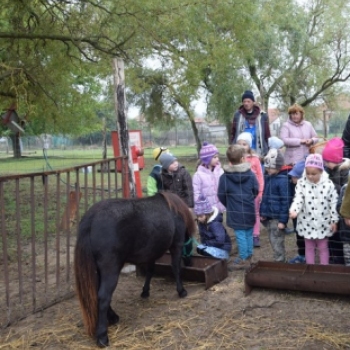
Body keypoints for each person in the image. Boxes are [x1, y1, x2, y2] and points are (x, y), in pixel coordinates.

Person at [289, 154, 339, 265]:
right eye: (308, 174)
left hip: (323, 221)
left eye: (314, 174)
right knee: (309, 246)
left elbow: (333, 202)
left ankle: (323, 268)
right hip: (307, 221)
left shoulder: (328, 185)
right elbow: (298, 198)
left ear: (321, 171)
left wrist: (334, 220)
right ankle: (310, 268)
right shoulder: (302, 184)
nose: (310, 176)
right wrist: (295, 210)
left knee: (323, 247)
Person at [217, 144, 259, 267]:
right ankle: (248, 255)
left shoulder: (224, 177)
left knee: (240, 235)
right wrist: (248, 199)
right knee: (248, 233)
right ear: (242, 158)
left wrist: (229, 204)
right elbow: (255, 190)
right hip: (249, 209)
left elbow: (221, 195)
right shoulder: (250, 174)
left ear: (230, 160)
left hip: (235, 211)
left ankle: (244, 257)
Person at [260, 149, 293, 262]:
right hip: (269, 215)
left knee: (277, 240)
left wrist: (283, 221)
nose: (267, 169)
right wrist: (263, 212)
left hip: (277, 217)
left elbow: (286, 201)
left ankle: (280, 262)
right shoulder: (269, 177)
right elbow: (265, 196)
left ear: (277, 166)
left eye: (269, 167)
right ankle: (279, 259)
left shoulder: (283, 180)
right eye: (266, 167)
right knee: (272, 239)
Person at [322, 137, 350, 264]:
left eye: (328, 161)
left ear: (336, 159)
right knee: (331, 235)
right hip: (330, 210)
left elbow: (345, 193)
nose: (326, 164)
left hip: (341, 211)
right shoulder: (328, 171)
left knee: (340, 237)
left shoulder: (345, 173)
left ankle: (341, 259)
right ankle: (334, 257)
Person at [236, 132, 264, 247]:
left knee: (255, 213)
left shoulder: (255, 159)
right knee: (243, 213)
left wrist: (260, 191)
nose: (242, 146)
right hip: (240, 192)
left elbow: (260, 176)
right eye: (239, 144)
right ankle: (245, 235)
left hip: (254, 192)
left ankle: (255, 235)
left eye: (245, 144)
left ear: (249, 145)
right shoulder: (235, 159)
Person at [230, 90, 271, 157]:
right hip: (241, 152)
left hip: (258, 151)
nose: (246, 103)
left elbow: (267, 134)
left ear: (253, 102)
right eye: (244, 101)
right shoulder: (238, 115)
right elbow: (233, 133)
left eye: (248, 101)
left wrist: (268, 149)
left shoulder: (262, 115)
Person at [194, 194, 232, 260]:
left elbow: (220, 241)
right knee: (199, 250)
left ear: (207, 214)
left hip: (223, 247)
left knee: (206, 251)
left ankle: (223, 257)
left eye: (201, 216)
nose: (199, 218)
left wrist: (206, 244)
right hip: (211, 245)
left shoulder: (215, 224)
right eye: (197, 216)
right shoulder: (202, 223)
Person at [192, 142, 225, 213]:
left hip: (219, 207)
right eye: (214, 157)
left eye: (217, 156)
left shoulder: (220, 171)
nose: (217, 159)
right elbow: (196, 192)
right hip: (206, 208)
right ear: (207, 159)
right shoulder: (198, 175)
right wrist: (199, 206)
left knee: (218, 222)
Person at [287, 160, 306, 264]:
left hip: (306, 222)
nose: (292, 178)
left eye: (295, 176)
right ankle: (302, 255)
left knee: (305, 240)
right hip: (297, 220)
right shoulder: (294, 187)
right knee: (299, 237)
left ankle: (306, 256)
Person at [337, 181, 350, 266]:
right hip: (347, 234)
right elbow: (339, 206)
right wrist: (346, 216)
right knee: (348, 258)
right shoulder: (345, 188)